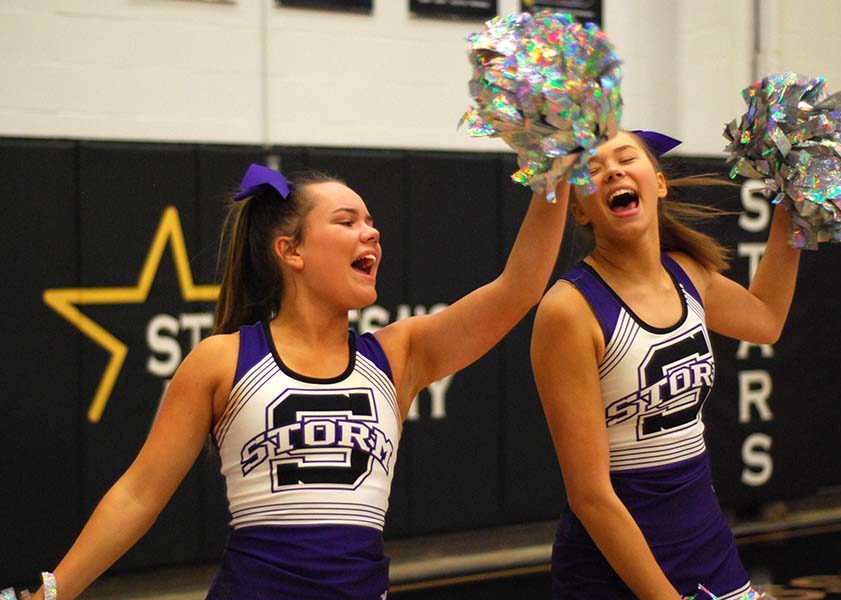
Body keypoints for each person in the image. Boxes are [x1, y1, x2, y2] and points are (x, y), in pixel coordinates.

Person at [29, 163, 570, 600]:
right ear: (291, 251)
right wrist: (53, 593)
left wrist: (554, 171)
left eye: (372, 221)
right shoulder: (222, 360)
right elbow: (139, 493)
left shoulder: (399, 355)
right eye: (347, 221)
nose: (372, 232)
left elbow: (520, 288)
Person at [531, 130, 799, 599]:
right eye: (592, 168)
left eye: (626, 157)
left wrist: (795, 207)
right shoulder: (569, 309)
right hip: (612, 573)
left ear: (658, 183)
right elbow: (590, 496)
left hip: (709, 550)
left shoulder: (689, 274)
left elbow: (767, 320)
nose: (612, 169)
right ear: (578, 209)